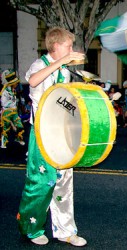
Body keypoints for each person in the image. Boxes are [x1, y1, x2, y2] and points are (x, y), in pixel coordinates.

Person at [17, 27, 87, 246]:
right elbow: (34, 81)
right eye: (68, 46)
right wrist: (62, 61)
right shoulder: (40, 65)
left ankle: (65, 230)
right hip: (41, 135)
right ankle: (32, 227)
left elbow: (64, 101)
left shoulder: (64, 71)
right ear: (55, 45)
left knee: (64, 183)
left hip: (61, 134)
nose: (71, 49)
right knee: (41, 183)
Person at [0, 70, 25, 148]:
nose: (17, 84)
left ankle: (18, 138)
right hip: (7, 112)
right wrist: (13, 102)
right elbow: (4, 103)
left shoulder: (14, 91)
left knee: (20, 126)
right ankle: (3, 143)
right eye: (15, 83)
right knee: (6, 128)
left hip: (14, 112)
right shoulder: (5, 92)